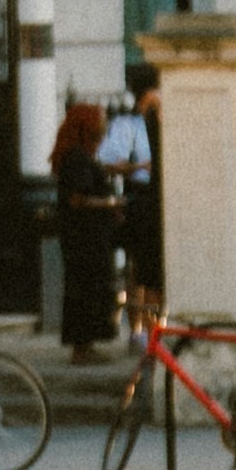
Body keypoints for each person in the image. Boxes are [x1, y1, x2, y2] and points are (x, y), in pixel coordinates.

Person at [52, 94, 119, 353]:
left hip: (85, 236)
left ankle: (86, 344)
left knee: (87, 289)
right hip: (84, 237)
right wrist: (112, 204)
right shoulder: (77, 158)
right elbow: (78, 200)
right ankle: (82, 346)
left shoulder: (78, 156)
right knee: (86, 289)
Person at [96, 74, 157, 310]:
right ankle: (138, 327)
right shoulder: (128, 125)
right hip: (141, 196)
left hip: (162, 197)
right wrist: (140, 167)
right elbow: (110, 162)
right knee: (138, 266)